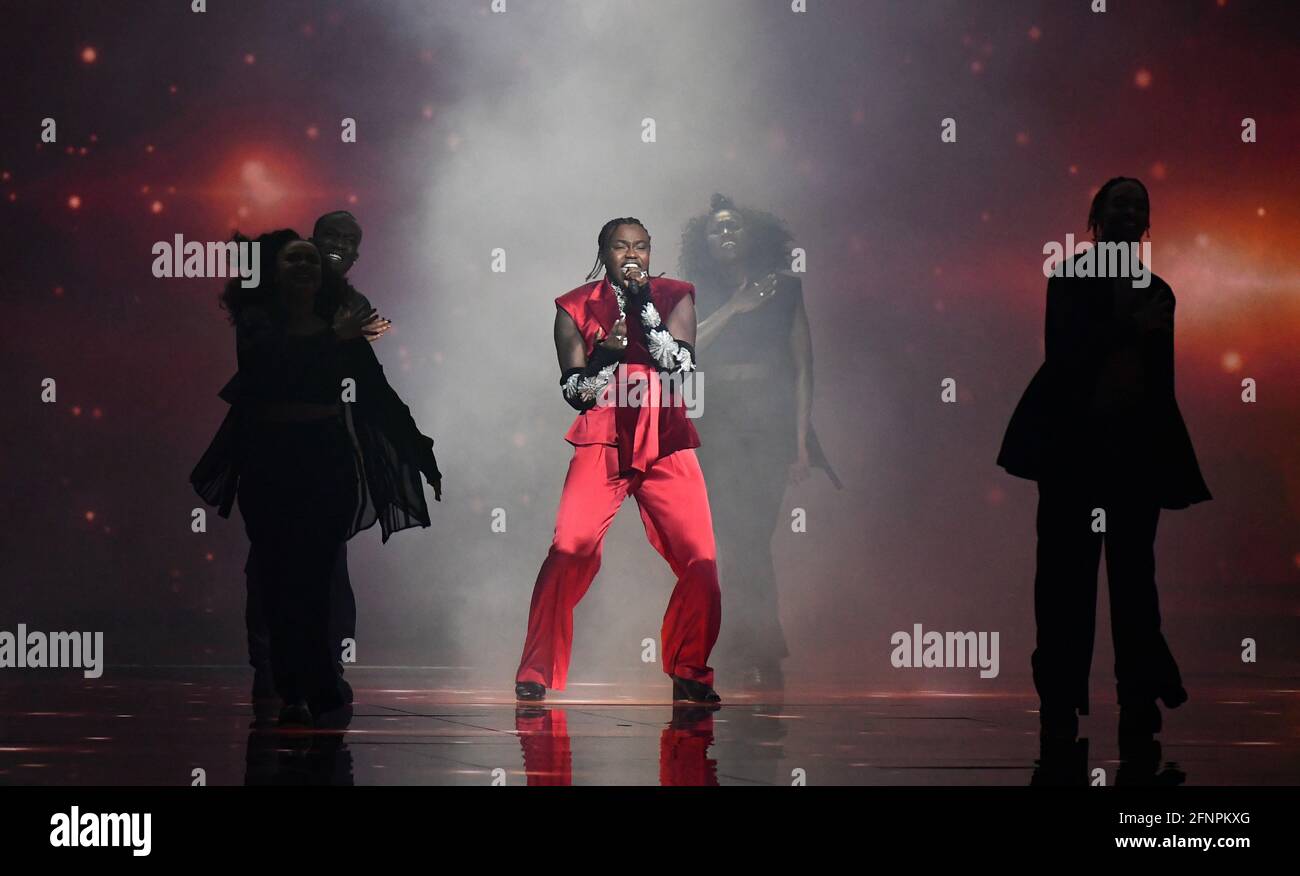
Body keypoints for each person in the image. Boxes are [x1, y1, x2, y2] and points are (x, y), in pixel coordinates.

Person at [191, 229, 442, 725]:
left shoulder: (338, 325)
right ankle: (294, 688)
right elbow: (273, 370)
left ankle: (318, 679)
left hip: (326, 458)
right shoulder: (257, 322)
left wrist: (419, 450)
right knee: (279, 576)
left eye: (311, 260)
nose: (305, 267)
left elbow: (376, 393)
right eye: (293, 260)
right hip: (269, 460)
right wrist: (336, 338)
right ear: (274, 271)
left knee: (319, 572)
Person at [997, 177, 1211, 747]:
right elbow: (1066, 357)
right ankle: (1062, 698)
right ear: (1097, 215)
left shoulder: (1158, 290)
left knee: (1135, 579)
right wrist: (1126, 328)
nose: (1132, 212)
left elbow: (1159, 382)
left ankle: (1139, 695)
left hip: (1133, 453)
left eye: (1139, 205)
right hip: (1074, 452)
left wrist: (1165, 456)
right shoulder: (1069, 279)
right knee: (1066, 580)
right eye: (1121, 203)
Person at [514, 217, 722, 704]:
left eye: (642, 247)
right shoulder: (574, 306)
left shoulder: (675, 295)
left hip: (664, 437)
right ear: (603, 251)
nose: (633, 255)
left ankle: (689, 668)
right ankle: (536, 670)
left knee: (702, 560)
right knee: (569, 551)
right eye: (621, 246)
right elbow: (575, 393)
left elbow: (681, 367)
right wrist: (605, 356)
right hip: (603, 438)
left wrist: (644, 305)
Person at [219, 211, 385, 701]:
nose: (338, 246)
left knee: (326, 560)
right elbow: (267, 370)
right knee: (272, 563)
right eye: (327, 238)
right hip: (270, 449)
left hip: (327, 446)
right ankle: (276, 667)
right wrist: (337, 340)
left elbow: (364, 384)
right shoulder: (261, 311)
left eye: (349, 240)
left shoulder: (350, 305)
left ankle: (321, 667)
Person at [679, 194, 841, 689]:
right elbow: (682, 349)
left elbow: (803, 367)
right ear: (703, 242)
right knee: (734, 538)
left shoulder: (786, 289)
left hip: (769, 423)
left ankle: (749, 647)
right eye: (715, 230)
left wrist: (800, 444)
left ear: (752, 235)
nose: (725, 235)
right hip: (719, 424)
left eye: (733, 227)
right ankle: (755, 649)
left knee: (754, 536)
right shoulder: (694, 292)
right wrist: (734, 307)